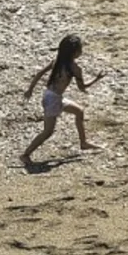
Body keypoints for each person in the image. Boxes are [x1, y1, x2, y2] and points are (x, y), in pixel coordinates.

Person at [22, 34, 105, 167]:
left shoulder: (57, 61)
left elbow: (39, 74)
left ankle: (83, 143)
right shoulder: (75, 69)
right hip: (53, 100)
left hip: (49, 95)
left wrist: (30, 90)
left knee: (79, 111)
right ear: (75, 52)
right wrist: (96, 79)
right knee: (48, 131)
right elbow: (82, 87)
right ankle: (26, 155)